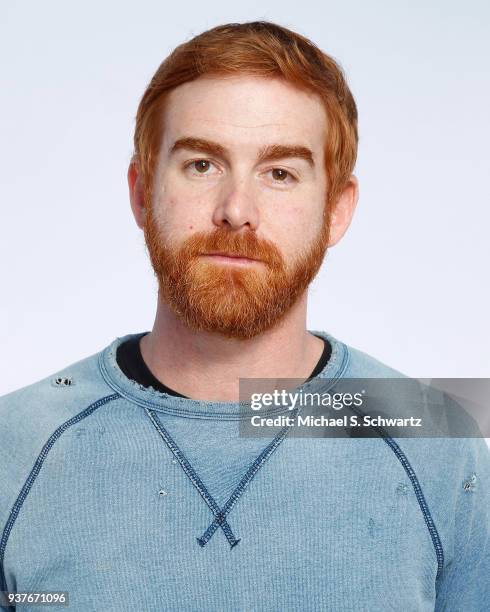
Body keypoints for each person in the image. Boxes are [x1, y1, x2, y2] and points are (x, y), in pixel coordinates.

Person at [0, 20, 488, 612]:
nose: (236, 211)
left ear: (336, 210)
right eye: (202, 164)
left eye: (280, 173)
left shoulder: (438, 443)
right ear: (140, 191)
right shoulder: (15, 445)